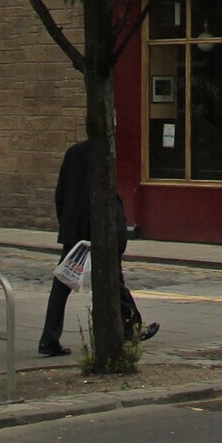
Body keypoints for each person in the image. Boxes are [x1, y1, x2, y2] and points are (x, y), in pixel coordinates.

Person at [38, 136, 159, 358]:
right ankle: (131, 328)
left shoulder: (73, 152)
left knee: (63, 284)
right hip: (97, 230)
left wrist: (67, 224)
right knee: (113, 279)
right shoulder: (103, 154)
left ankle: (49, 337)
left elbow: (60, 193)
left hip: (75, 229)